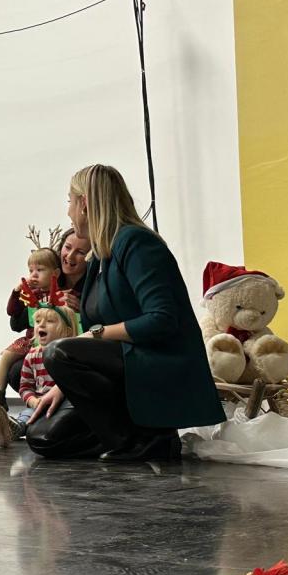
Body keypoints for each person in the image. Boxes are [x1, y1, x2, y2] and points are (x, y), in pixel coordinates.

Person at [25, 165, 226, 461]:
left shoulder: (137, 243)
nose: (68, 212)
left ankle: (143, 440)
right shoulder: (100, 256)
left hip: (155, 364)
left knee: (58, 352)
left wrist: (94, 336)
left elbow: (161, 319)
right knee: (43, 438)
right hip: (125, 370)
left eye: (70, 202)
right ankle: (137, 437)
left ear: (84, 204)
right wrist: (64, 386)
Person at [6, 227, 90, 395]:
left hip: (75, 346)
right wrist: (39, 304)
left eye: (80, 252)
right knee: (16, 370)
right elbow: (15, 323)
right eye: (67, 247)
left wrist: (81, 308)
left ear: (90, 256)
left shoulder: (92, 284)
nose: (70, 256)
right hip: (40, 344)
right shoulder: (44, 283)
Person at [0, 235, 62, 407]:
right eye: (31, 271)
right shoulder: (31, 294)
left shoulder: (61, 293)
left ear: (55, 273)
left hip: (52, 339)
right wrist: (17, 292)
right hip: (31, 339)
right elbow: (12, 311)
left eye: (40, 270)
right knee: (6, 355)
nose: (34, 275)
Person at [11, 305, 79, 439]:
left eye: (50, 321)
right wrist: (33, 401)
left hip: (63, 406)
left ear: (67, 331)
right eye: (37, 321)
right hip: (38, 405)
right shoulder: (32, 356)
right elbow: (25, 387)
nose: (41, 325)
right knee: (26, 417)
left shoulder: (71, 356)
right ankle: (8, 428)